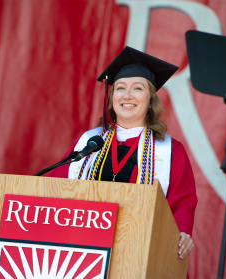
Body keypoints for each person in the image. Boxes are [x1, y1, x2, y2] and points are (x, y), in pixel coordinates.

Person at [49, 46, 197, 260]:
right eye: (120, 88)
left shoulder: (171, 150)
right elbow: (56, 187)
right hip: (83, 249)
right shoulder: (89, 143)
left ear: (150, 100)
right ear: (111, 98)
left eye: (137, 88)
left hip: (139, 252)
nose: (127, 95)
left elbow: (183, 202)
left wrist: (181, 233)